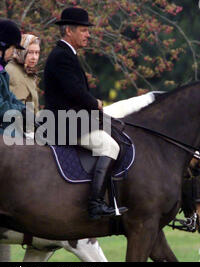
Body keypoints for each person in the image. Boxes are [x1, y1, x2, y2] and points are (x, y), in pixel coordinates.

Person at [43, 7, 127, 219]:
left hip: (73, 119)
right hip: (65, 123)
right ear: (69, 31)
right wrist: (95, 103)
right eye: (83, 30)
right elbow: (74, 92)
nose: (88, 34)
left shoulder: (67, 54)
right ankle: (95, 203)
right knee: (110, 146)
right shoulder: (62, 56)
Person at [6, 34, 41, 113]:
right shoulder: (14, 72)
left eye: (37, 53)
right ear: (21, 51)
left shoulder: (26, 70)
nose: (34, 57)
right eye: (30, 52)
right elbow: (16, 112)